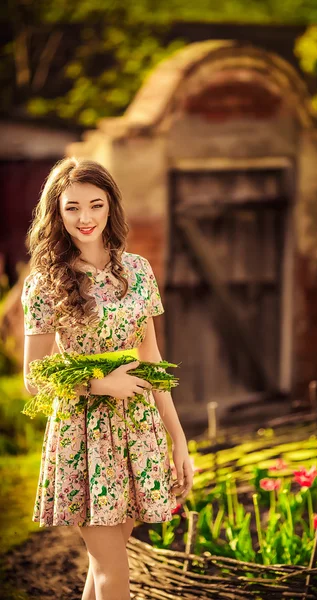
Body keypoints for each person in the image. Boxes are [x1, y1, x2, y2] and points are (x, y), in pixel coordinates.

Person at [21, 157, 194, 600]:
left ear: (111, 207)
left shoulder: (137, 271)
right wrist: (100, 385)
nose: (85, 218)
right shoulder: (45, 283)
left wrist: (179, 439)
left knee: (105, 568)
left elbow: (152, 362)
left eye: (95, 205)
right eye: (72, 207)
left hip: (139, 431)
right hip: (83, 436)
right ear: (56, 214)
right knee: (115, 571)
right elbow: (34, 377)